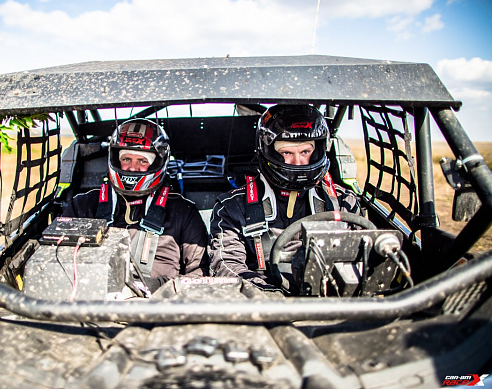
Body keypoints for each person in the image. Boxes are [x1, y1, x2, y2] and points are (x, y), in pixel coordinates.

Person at [209, 105, 362, 294]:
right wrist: (269, 297)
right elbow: (227, 266)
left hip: (330, 303)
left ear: (318, 151)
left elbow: (362, 262)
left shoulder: (344, 203)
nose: (297, 162)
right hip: (261, 306)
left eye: (305, 152)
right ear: (268, 151)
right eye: (287, 153)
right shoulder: (232, 207)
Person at [62, 118, 209, 293]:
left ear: (157, 162)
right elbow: (58, 263)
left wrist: (158, 288)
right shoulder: (83, 206)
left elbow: (200, 275)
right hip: (92, 303)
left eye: (142, 161)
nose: (132, 168)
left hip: (159, 310)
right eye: (126, 159)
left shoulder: (183, 212)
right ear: (115, 159)